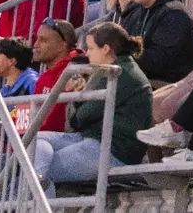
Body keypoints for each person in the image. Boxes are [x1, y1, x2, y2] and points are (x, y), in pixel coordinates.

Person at [31, 23, 152, 196]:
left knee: (39, 168)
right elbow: (80, 118)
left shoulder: (120, 74)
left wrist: (79, 95)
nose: (87, 54)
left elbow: (80, 118)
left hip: (114, 151)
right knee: (35, 138)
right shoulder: (107, 71)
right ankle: (40, 177)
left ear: (106, 49)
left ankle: (40, 184)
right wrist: (81, 96)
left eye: (91, 48)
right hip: (91, 139)